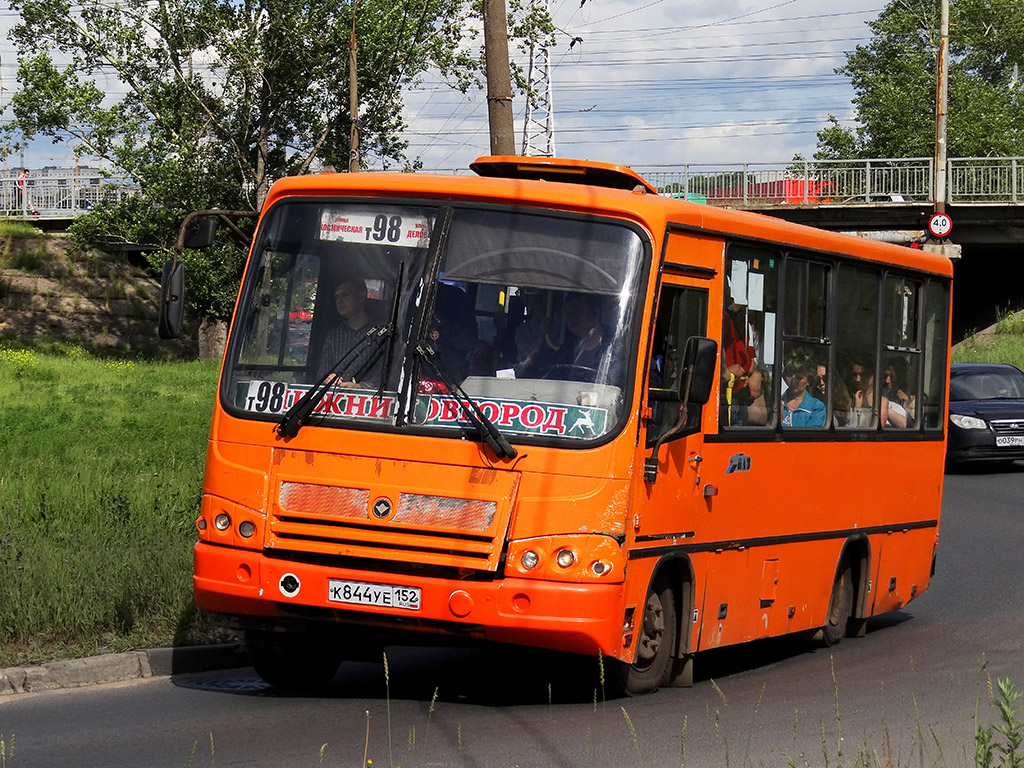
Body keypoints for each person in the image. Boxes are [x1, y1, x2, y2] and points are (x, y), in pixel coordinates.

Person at [316, 278, 382, 386]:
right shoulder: (333, 336)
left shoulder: (380, 334)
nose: (339, 301)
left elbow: (386, 378)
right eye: (336, 297)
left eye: (345, 295)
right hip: (336, 397)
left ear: (361, 297)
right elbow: (322, 374)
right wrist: (327, 378)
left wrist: (360, 387)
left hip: (370, 400)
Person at [722, 302, 766, 426]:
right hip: (722, 399)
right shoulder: (721, 318)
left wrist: (756, 374)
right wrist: (724, 371)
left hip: (739, 399)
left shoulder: (742, 323)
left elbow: (751, 361)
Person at [781, 349, 826, 427]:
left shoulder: (817, 408)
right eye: (789, 375)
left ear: (809, 380)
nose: (793, 380)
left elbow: (809, 436)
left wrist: (781, 423)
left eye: (799, 377)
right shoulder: (776, 403)